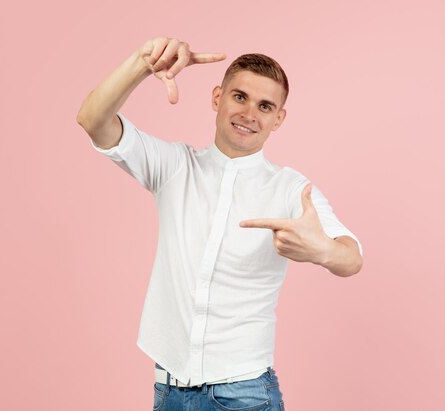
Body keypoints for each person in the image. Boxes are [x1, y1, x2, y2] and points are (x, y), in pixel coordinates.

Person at [77, 36, 363, 411]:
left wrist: (322, 249)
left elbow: (352, 257)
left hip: (245, 395)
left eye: (265, 106)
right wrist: (144, 64)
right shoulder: (174, 167)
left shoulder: (291, 189)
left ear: (279, 119)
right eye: (239, 97)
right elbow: (92, 119)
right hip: (169, 392)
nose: (249, 114)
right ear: (217, 97)